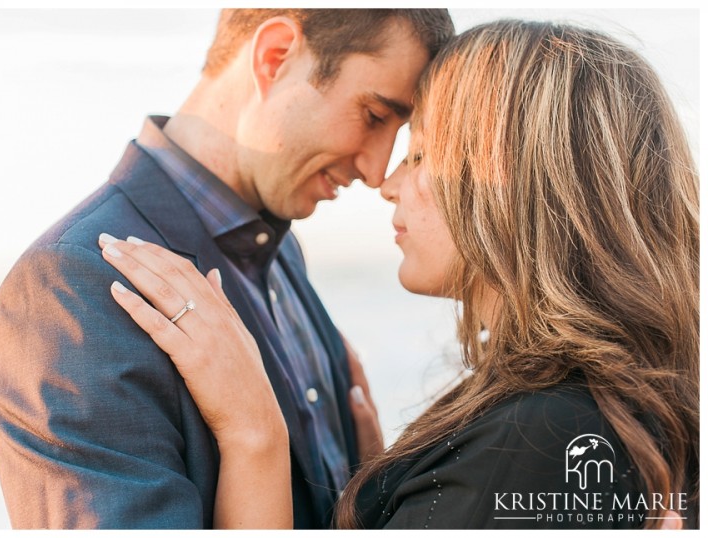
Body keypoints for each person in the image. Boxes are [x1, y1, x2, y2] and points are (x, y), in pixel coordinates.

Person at [100, 20, 699, 529]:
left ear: (516, 187)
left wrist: (254, 432)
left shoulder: (542, 440)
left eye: (420, 155)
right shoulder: (583, 414)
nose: (385, 183)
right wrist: (396, 486)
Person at [0, 8, 455, 529]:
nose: (376, 169)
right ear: (275, 56)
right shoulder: (73, 288)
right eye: (373, 115)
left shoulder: (281, 253)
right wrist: (255, 437)